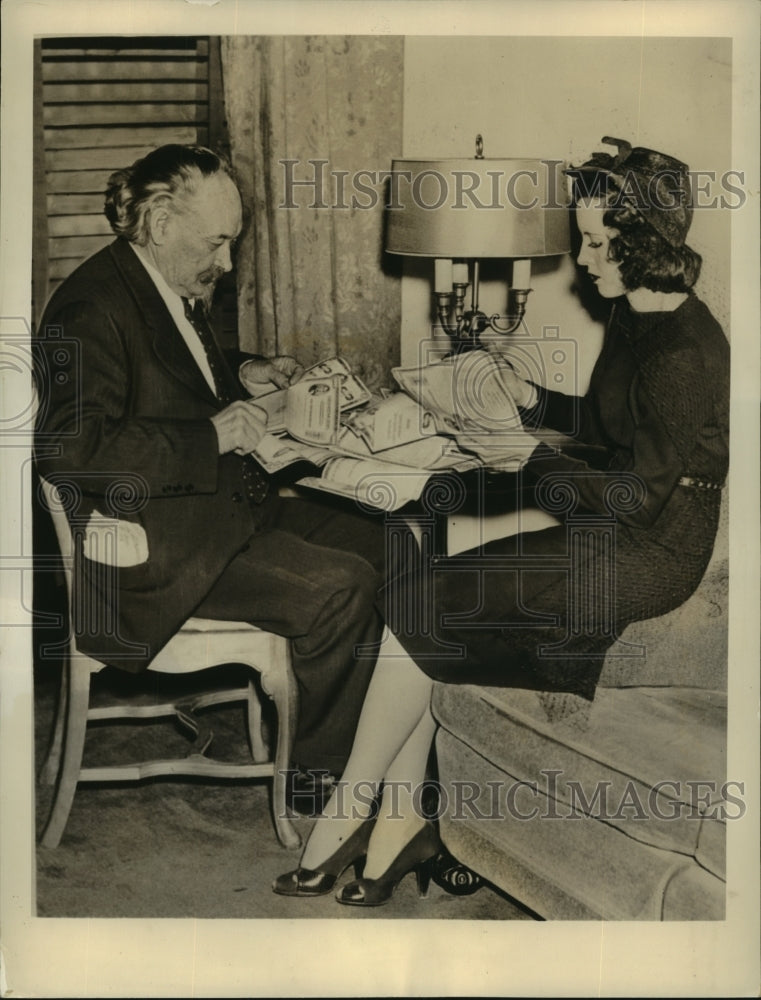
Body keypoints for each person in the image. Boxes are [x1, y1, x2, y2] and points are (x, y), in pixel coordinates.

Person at [273, 137, 729, 905]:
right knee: (423, 602)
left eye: (595, 243)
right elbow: (609, 425)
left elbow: (636, 495)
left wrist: (525, 458)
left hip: (649, 553)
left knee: (424, 604)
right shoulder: (636, 316)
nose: (582, 261)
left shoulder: (685, 350)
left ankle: (352, 820)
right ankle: (395, 825)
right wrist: (534, 405)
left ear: (641, 244)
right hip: (611, 534)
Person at [33, 144, 386, 787]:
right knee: (342, 588)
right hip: (155, 554)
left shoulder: (155, 277)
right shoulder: (89, 309)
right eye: (217, 244)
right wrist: (210, 435)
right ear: (163, 225)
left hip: (217, 513)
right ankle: (324, 785)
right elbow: (69, 450)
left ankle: (384, 747)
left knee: (388, 543)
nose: (226, 264)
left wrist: (243, 370)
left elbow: (174, 369)